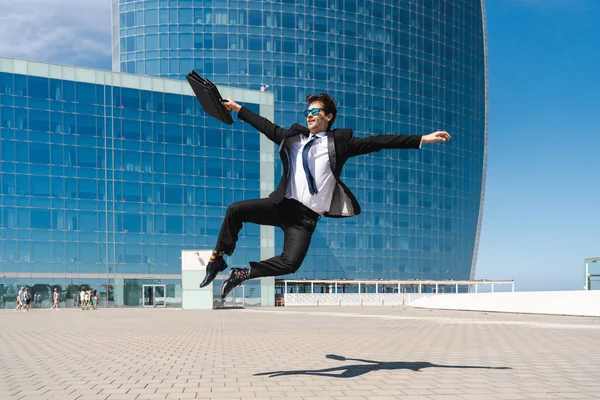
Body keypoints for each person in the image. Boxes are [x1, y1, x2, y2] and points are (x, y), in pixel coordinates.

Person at [199, 93, 450, 299]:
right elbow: (265, 126)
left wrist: (421, 139)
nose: (309, 115)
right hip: (281, 205)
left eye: (315, 111)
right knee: (235, 210)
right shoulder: (293, 138)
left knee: (291, 263)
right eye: (307, 111)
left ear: (328, 117)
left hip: (305, 219)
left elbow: (379, 141)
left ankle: (242, 274)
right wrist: (237, 108)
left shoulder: (340, 143)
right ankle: (217, 259)